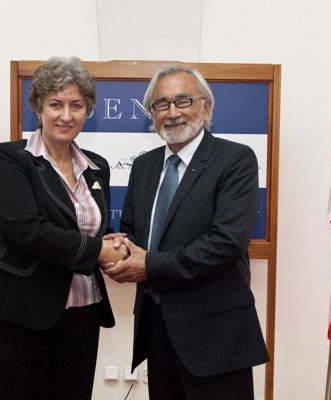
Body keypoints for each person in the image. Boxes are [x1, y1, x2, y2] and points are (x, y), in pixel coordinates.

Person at [101, 64, 269, 400]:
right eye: (161, 104)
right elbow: (134, 232)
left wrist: (149, 265)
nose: (172, 112)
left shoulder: (235, 159)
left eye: (183, 101)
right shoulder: (144, 165)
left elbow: (227, 243)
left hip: (217, 337)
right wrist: (119, 249)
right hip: (157, 330)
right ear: (152, 114)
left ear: (206, 106)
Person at [0, 56, 127, 400]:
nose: (66, 115)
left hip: (83, 311)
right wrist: (98, 250)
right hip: (21, 313)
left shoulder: (97, 167)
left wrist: (113, 246)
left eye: (77, 105)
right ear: (38, 107)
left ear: (88, 111)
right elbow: (27, 229)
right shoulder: (11, 158)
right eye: (56, 104)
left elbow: (91, 229)